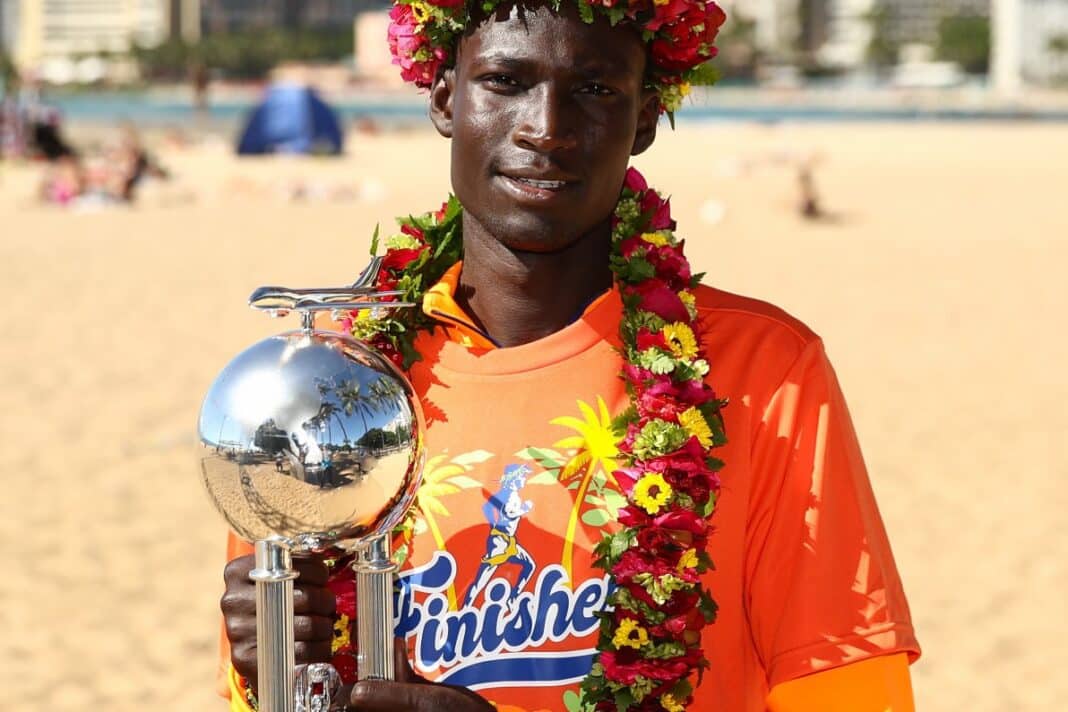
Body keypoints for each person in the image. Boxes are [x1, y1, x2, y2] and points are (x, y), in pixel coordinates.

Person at [218, 0, 920, 710]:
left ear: (643, 119)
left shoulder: (765, 374)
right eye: (505, 81)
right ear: (444, 98)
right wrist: (275, 670)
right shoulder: (328, 388)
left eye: (594, 89)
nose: (546, 129)